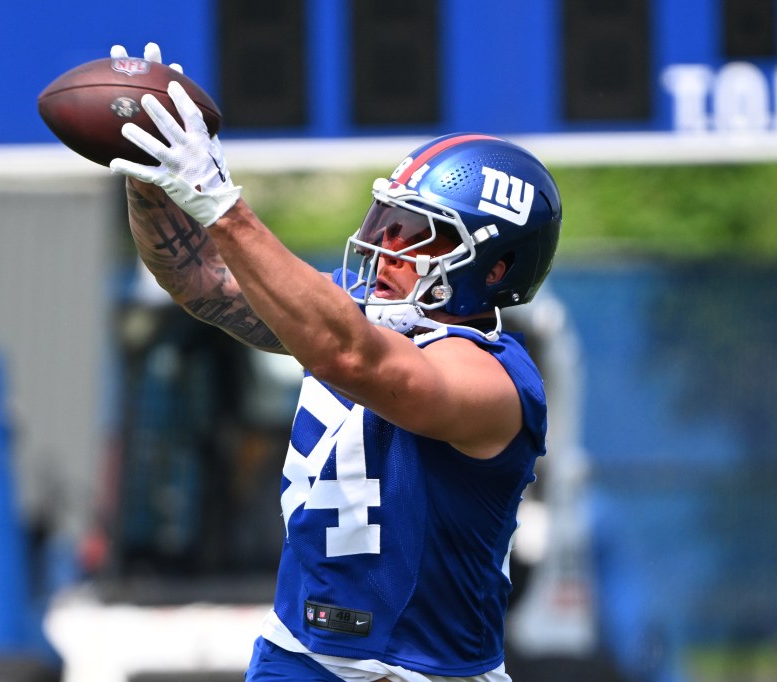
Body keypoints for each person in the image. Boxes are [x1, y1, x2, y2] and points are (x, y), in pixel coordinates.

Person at [107, 42, 562, 682]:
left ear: (492, 268)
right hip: (297, 656)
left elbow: (356, 358)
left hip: (422, 671)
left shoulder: (496, 382)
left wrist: (222, 204)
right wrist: (150, 175)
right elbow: (200, 282)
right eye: (389, 222)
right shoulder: (353, 317)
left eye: (415, 233)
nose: (385, 244)